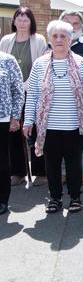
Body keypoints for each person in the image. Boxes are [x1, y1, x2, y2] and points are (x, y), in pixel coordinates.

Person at [23, 20, 83, 214]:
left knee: (73, 163)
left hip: (74, 125)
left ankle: (76, 197)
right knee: (51, 164)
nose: (59, 39)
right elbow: (33, 95)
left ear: (70, 39)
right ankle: (54, 198)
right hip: (48, 126)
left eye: (64, 36)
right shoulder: (40, 63)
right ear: (50, 39)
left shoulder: (81, 63)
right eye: (55, 36)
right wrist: (28, 120)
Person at [0, 6, 48, 187]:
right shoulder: (6, 40)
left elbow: (40, 67)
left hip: (32, 90)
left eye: (25, 19)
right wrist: (16, 88)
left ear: (31, 22)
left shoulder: (38, 40)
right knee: (13, 131)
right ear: (13, 21)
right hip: (10, 94)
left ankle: (40, 171)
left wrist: (25, 86)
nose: (21, 22)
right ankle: (17, 171)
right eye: (18, 19)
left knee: (34, 129)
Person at [59, 10, 83, 185]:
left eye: (76, 24)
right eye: (68, 23)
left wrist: (63, 58)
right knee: (59, 136)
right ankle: (63, 170)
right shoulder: (51, 44)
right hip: (58, 101)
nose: (72, 27)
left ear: (81, 27)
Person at [0, 51, 24, 215]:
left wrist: (15, 116)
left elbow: (18, 90)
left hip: (2, 118)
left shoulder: (7, 60)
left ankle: (2, 200)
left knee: (1, 161)